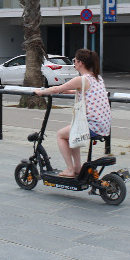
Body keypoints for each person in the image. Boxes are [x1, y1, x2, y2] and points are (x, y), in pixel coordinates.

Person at [35, 49, 111, 178]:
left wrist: (40, 92)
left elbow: (56, 88)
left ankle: (70, 169)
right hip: (103, 126)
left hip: (91, 126)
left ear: (80, 63)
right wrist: (70, 92)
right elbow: (86, 92)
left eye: (74, 60)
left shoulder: (82, 79)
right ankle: (77, 167)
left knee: (60, 135)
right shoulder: (97, 78)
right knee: (72, 133)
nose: (73, 63)